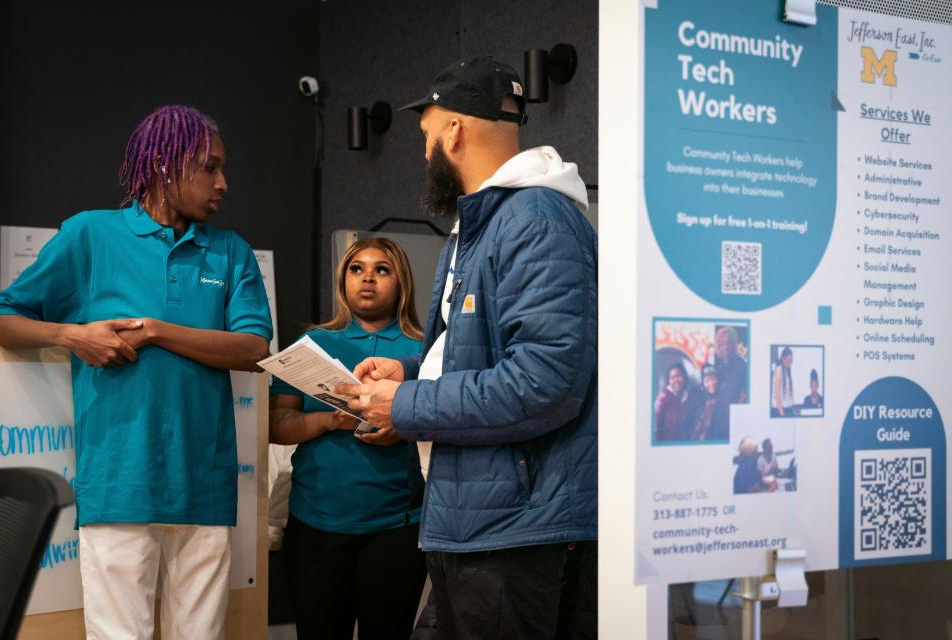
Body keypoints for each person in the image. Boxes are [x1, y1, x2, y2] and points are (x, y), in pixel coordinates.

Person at [334, 57, 598, 640]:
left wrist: (403, 405)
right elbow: (482, 349)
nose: (423, 151)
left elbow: (544, 382)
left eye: (426, 135)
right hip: (478, 520)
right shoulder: (486, 221)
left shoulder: (536, 218)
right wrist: (408, 370)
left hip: (516, 530)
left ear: (453, 131)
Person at [0, 105, 273, 639]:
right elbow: (3, 317)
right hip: (119, 480)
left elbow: (253, 348)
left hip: (205, 484)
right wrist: (71, 335)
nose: (224, 183)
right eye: (210, 167)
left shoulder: (230, 251)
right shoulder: (91, 235)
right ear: (166, 167)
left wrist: (156, 331)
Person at [269, 237, 427, 640]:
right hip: (315, 525)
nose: (368, 279)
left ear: (401, 282)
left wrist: (402, 424)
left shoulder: (424, 352)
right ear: (342, 281)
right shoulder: (312, 346)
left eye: (381, 269)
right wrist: (328, 421)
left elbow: (447, 422)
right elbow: (277, 424)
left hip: (395, 526)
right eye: (357, 269)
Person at [707, 326, 747, 440]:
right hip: (715, 420)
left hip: (733, 421)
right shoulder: (716, 365)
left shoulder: (741, 366)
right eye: (722, 343)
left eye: (729, 343)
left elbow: (744, 394)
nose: (726, 347)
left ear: (734, 344)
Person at [654, 362, 691, 442]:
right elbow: (656, 429)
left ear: (685, 377)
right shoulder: (663, 398)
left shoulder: (689, 398)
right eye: (672, 378)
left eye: (679, 376)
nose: (676, 380)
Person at [692, 364, 719, 441]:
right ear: (702, 384)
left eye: (714, 379)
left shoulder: (722, 397)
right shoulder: (696, 399)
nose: (711, 383)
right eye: (707, 380)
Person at [772, 346, 795, 417]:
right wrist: (782, 413)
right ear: (782, 359)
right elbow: (777, 394)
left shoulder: (787, 371)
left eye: (791, 361)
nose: (790, 363)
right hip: (780, 410)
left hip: (788, 408)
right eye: (788, 361)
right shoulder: (779, 369)